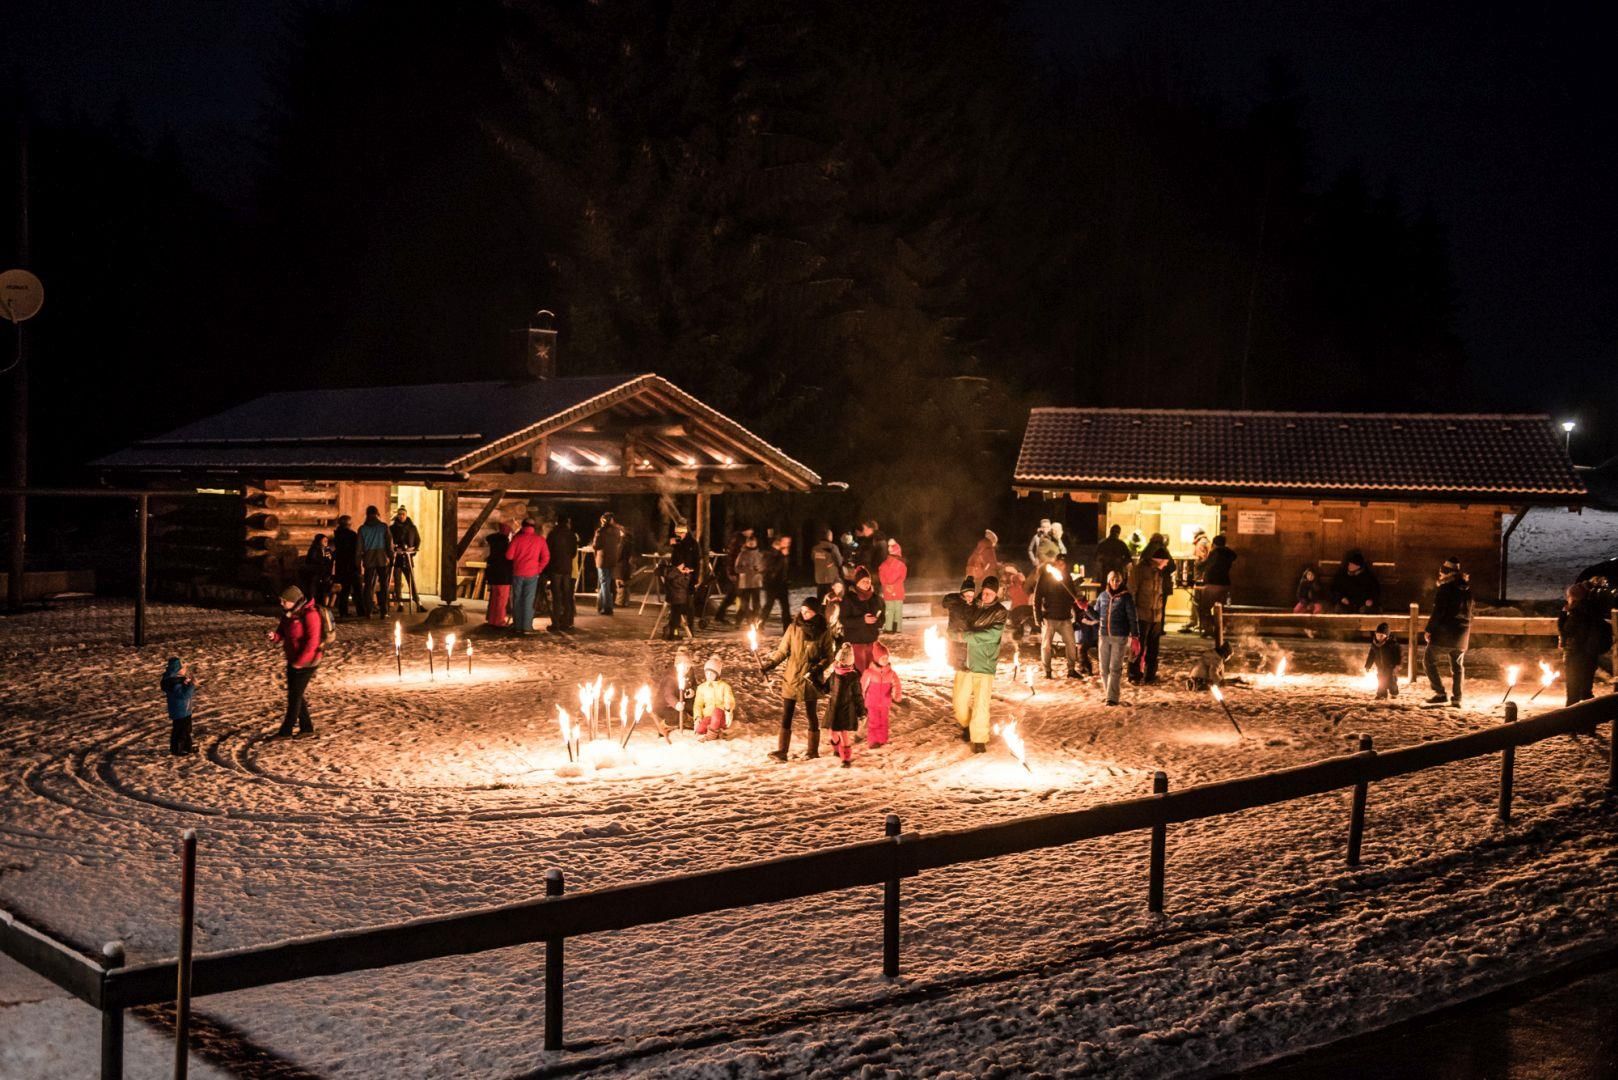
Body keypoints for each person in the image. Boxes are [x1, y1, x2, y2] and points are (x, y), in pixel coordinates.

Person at [761, 596, 836, 762]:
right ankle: (782, 751)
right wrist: (771, 664)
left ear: (816, 612)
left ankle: (812, 751)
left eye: (808, 611)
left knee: (811, 714)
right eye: (802, 611)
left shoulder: (823, 630)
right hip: (792, 676)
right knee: (787, 713)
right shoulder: (793, 627)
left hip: (811, 679)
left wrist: (818, 668)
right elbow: (783, 651)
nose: (804, 614)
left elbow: (829, 656)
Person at [952, 576, 1007, 751]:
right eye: (984, 592)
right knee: (959, 703)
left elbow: (991, 635)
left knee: (981, 705)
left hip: (985, 663)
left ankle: (979, 739)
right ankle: (968, 725)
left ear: (996, 594)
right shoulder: (971, 605)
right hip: (965, 662)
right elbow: (955, 613)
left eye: (990, 593)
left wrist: (965, 636)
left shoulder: (1000, 612)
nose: (986, 596)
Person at [268, 585, 323, 736]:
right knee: (296, 695)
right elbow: (282, 631)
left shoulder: (310, 614)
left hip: (308, 662)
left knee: (294, 697)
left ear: (294, 601)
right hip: (293, 660)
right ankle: (307, 728)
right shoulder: (289, 614)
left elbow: (313, 642)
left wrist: (300, 662)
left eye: (284, 601)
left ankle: (286, 731)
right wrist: (275, 637)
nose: (281, 603)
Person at [1422, 558, 1473, 706]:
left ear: (1448, 574)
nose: (1440, 574)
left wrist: (1429, 629)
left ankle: (1440, 693)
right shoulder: (1468, 590)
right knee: (1457, 667)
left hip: (1445, 633)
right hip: (1462, 634)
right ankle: (1457, 697)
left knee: (1428, 660)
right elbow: (1471, 613)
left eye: (1443, 572)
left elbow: (1438, 612)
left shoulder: (1445, 589)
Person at [1559, 582, 1611, 706]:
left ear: (1573, 597)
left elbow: (1566, 631)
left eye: (1568, 596)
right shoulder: (1594, 610)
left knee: (1573, 690)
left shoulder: (1576, 612)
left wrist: (1563, 615)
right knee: (1586, 689)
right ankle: (1588, 715)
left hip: (1575, 654)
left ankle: (1572, 715)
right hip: (1590, 654)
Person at [1095, 570, 1139, 706]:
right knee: (1103, 668)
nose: (1115, 582)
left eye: (1118, 580)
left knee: (1114, 668)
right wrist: (1085, 608)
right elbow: (1096, 615)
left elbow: (1132, 618)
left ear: (1121, 581)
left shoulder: (1126, 598)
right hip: (1104, 635)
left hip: (1119, 637)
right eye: (1113, 579)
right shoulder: (1102, 596)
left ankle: (1112, 698)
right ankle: (1108, 693)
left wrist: (1135, 636)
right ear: (1108, 580)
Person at [1129, 547, 1172, 684]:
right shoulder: (1140, 570)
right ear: (1160, 560)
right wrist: (1132, 613)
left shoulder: (1160, 573)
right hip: (1142, 614)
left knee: (1154, 648)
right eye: (1166, 561)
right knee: (1138, 647)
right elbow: (1132, 591)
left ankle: (1150, 675)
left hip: (1156, 616)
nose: (1167, 564)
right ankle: (1134, 675)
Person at [1034, 557, 1080, 679]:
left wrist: (1075, 599)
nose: (1060, 565)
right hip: (1049, 618)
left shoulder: (1067, 577)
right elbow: (1037, 597)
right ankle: (1047, 671)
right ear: (1055, 564)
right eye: (1058, 563)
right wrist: (1037, 617)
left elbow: (1072, 596)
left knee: (1071, 643)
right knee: (1046, 646)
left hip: (1065, 617)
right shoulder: (1045, 577)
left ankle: (1071, 670)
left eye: (1063, 564)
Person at [824, 643, 867, 767]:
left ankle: (846, 759)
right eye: (839, 662)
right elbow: (825, 689)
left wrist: (862, 712)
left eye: (843, 663)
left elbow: (858, 696)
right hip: (833, 708)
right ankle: (837, 750)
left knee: (843, 734)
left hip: (846, 709)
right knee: (832, 733)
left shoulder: (853, 677)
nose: (840, 664)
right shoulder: (834, 674)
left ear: (849, 664)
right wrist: (813, 680)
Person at [505, 518, 549, 635]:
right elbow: (546, 557)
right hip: (532, 574)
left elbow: (509, 556)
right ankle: (527, 627)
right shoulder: (540, 540)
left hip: (518, 573)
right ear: (534, 527)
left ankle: (518, 626)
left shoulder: (517, 539)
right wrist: (539, 569)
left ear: (523, 526)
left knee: (517, 599)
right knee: (529, 600)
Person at [840, 566, 885, 671]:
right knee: (859, 671)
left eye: (868, 581)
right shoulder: (849, 598)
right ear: (857, 583)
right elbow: (843, 620)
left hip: (871, 641)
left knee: (871, 671)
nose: (867, 583)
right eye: (863, 581)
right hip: (856, 642)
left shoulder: (876, 599)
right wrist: (862, 620)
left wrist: (877, 622)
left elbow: (882, 617)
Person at [861, 642, 902, 749]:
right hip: (872, 702)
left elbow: (896, 684)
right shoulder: (869, 672)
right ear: (876, 659)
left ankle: (882, 739)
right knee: (873, 722)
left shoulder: (891, 673)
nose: (885, 660)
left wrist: (896, 694)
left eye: (886, 658)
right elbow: (862, 686)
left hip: (885, 702)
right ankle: (873, 741)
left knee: (884, 721)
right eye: (882, 658)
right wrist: (861, 699)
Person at [541, 517, 577, 632]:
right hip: (567, 568)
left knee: (556, 596)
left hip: (555, 568)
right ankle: (566, 623)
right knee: (567, 595)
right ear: (567, 522)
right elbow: (574, 552)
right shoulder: (571, 535)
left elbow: (547, 551)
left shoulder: (552, 534)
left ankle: (555, 623)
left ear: (557, 522)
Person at [358, 506, 393, 618]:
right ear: (377, 514)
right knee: (384, 585)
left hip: (368, 559)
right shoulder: (383, 527)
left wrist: (358, 562)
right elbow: (389, 544)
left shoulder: (362, 529)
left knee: (368, 585)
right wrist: (391, 557)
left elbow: (359, 548)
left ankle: (368, 611)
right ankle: (384, 611)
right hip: (382, 558)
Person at [1198, 535, 1237, 636]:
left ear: (1214, 544)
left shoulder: (1215, 552)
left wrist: (1198, 565)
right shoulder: (1229, 553)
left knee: (1205, 607)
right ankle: (1220, 629)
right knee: (1220, 608)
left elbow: (1207, 565)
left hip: (1213, 584)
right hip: (1225, 584)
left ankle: (1209, 629)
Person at [160, 656, 198, 755]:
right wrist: (191, 686)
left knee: (186, 730)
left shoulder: (177, 680)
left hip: (184, 710)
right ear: (177, 670)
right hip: (180, 711)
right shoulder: (173, 682)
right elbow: (183, 695)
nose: (185, 670)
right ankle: (177, 749)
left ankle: (188, 747)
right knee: (180, 731)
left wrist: (187, 683)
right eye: (183, 668)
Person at [389, 507, 424, 613]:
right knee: (397, 582)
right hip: (397, 558)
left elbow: (417, 540)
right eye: (399, 514)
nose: (401, 516)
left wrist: (412, 549)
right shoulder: (392, 528)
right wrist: (395, 549)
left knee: (411, 581)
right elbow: (389, 542)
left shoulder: (412, 527)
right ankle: (400, 603)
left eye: (403, 514)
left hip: (408, 558)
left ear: (406, 515)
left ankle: (418, 603)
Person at [714, 527, 752, 624]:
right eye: (750, 530)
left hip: (740, 573)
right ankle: (749, 617)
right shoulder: (738, 540)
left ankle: (720, 615)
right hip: (737, 572)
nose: (751, 532)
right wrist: (731, 572)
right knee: (742, 595)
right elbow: (731, 558)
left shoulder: (742, 539)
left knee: (732, 596)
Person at [591, 512, 627, 615]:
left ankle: (608, 608)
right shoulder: (617, 531)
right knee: (606, 583)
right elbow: (619, 541)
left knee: (604, 584)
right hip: (613, 560)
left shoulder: (600, 531)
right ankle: (601, 606)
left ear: (603, 520)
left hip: (602, 561)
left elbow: (596, 546)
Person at [692, 656, 736, 739]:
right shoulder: (701, 688)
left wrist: (728, 710)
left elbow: (729, 701)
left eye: (711, 673)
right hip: (709, 717)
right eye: (707, 673)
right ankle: (717, 732)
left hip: (722, 717)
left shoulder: (725, 686)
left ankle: (711, 735)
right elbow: (698, 704)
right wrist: (697, 718)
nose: (708, 676)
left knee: (716, 711)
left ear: (717, 674)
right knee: (699, 730)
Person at [655, 647, 696, 731]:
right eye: (684, 667)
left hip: (683, 701)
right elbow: (668, 695)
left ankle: (687, 721)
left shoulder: (690, 672)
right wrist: (676, 704)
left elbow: (694, 685)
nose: (686, 670)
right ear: (677, 665)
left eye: (688, 667)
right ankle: (665, 725)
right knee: (679, 716)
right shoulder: (670, 677)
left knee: (696, 709)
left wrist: (693, 691)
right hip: (666, 706)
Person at [660, 555, 697, 640]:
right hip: (679, 598)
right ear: (679, 565)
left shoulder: (670, 572)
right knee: (676, 618)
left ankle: (672, 634)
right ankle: (672, 635)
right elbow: (684, 584)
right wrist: (687, 575)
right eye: (682, 565)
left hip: (673, 597)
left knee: (674, 617)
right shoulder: (677, 574)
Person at [331, 514, 361, 618]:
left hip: (341, 565)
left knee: (344, 590)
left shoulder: (337, 535)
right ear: (348, 524)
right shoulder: (352, 535)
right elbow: (356, 549)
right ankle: (361, 610)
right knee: (357, 589)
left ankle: (343, 611)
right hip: (351, 565)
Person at [484, 522, 513, 628]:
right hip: (503, 575)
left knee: (494, 598)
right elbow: (509, 557)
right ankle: (499, 621)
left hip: (493, 573)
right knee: (502, 599)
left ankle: (492, 619)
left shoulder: (493, 542)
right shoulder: (505, 544)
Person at [1365, 622, 1402, 699]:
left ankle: (1394, 692)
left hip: (1390, 667)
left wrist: (1398, 664)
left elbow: (1398, 655)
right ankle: (1382, 694)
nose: (1379, 637)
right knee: (1381, 680)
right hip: (1380, 667)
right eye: (1378, 635)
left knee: (1391, 681)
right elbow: (1371, 656)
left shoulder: (1392, 644)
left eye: (1381, 635)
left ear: (1387, 636)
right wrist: (1368, 665)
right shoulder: (1374, 645)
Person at [878, 539, 907, 633]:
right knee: (898, 610)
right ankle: (897, 628)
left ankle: (889, 628)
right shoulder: (902, 565)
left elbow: (881, 577)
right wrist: (894, 586)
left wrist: (887, 586)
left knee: (889, 610)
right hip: (898, 591)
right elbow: (902, 578)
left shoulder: (883, 565)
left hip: (887, 591)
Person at [734, 535, 765, 622]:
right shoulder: (742, 554)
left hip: (756, 582)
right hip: (745, 583)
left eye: (753, 542)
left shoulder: (759, 554)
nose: (751, 544)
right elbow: (736, 568)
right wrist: (747, 569)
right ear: (746, 543)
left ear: (756, 543)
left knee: (756, 604)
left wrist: (760, 569)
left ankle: (755, 621)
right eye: (750, 542)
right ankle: (739, 620)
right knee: (744, 604)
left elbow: (764, 567)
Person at [1003, 564, 1036, 642]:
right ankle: (1029, 633)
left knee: (1016, 620)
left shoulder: (1012, 587)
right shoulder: (1025, 588)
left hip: (1018, 610)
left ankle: (1019, 634)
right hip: (1024, 610)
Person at [301, 533, 334, 609]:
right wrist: (324, 560)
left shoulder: (327, 550)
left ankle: (325, 603)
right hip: (315, 571)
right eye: (324, 540)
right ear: (319, 541)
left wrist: (329, 558)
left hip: (325, 572)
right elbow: (311, 560)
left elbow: (331, 559)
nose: (326, 542)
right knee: (314, 583)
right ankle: (312, 600)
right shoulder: (314, 549)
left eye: (327, 540)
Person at [855, 521, 888, 595]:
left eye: (864, 528)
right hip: (867, 573)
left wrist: (874, 572)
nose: (863, 531)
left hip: (873, 574)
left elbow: (881, 559)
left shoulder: (878, 541)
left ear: (870, 529)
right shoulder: (868, 541)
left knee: (873, 594)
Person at [811, 529, 843, 602]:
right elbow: (839, 562)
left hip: (819, 578)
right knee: (831, 599)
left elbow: (813, 559)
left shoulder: (815, 548)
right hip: (831, 578)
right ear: (829, 536)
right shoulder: (833, 547)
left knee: (821, 600)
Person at [1073, 593, 1099, 677]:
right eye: (1078, 603)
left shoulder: (1091, 609)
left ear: (1086, 601)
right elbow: (1078, 624)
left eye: (1081, 602)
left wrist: (1089, 622)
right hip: (1086, 636)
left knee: (1082, 649)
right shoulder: (1079, 612)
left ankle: (1087, 668)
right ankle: (1084, 667)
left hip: (1094, 636)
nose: (1079, 604)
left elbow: (1097, 620)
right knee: (1081, 649)